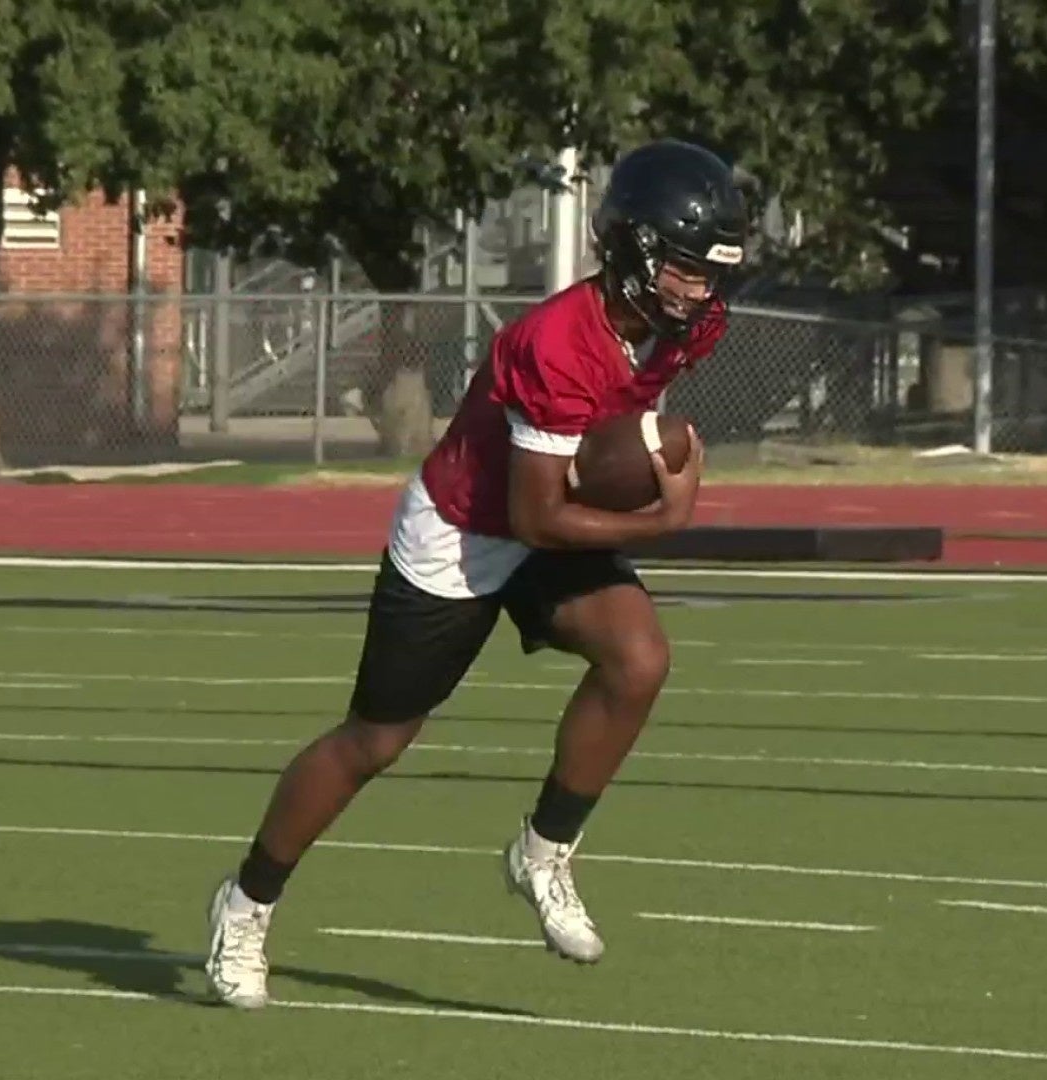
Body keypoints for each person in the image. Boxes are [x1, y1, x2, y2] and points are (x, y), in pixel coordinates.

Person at [203, 139, 753, 1008]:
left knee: (640, 660)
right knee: (374, 742)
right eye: (685, 266)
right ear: (634, 246)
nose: (698, 289)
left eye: (709, 269)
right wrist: (661, 516)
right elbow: (537, 517)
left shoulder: (690, 325)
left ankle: (543, 852)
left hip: (549, 511)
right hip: (463, 532)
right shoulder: (557, 342)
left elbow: (606, 442)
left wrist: (647, 450)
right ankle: (246, 904)